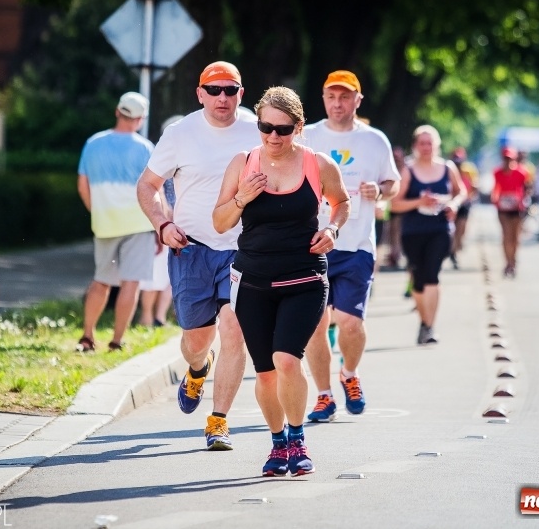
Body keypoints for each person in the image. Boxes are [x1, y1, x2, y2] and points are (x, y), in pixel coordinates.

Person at [213, 86, 350, 476]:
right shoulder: (243, 162)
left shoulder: (318, 164)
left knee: (287, 360)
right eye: (265, 127)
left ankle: (297, 437)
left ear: (299, 127)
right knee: (266, 372)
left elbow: (341, 202)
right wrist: (241, 197)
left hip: (304, 277)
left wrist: (334, 230)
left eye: (283, 129)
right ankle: (277, 445)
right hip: (253, 281)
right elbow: (219, 221)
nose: (273, 136)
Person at [137, 61, 259, 450]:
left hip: (242, 250)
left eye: (231, 89)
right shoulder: (180, 133)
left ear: (241, 92)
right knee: (195, 340)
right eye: (214, 89)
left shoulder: (258, 130)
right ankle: (196, 368)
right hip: (191, 249)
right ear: (200, 93)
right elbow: (148, 185)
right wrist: (162, 224)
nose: (222, 97)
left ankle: (218, 421)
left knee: (234, 330)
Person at [301, 70, 400, 422]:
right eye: (332, 96)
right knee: (316, 324)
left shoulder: (375, 141)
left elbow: (393, 182)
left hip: (357, 244)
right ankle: (324, 396)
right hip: (313, 243)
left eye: (345, 97)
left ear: (357, 100)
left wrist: (381, 191)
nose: (338, 103)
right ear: (324, 99)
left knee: (349, 323)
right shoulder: (307, 135)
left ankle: (349, 374)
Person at [76, 92, 156, 352]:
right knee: (130, 283)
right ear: (140, 119)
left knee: (101, 281)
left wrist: (96, 212)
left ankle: (87, 336)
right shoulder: (145, 147)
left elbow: (82, 185)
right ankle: (116, 341)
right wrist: (160, 224)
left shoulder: (93, 143)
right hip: (139, 223)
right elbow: (152, 188)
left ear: (117, 112)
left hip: (106, 224)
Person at [390, 125, 467, 344]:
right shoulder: (408, 171)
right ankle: (425, 322)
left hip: (440, 229)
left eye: (430, 143)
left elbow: (460, 191)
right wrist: (419, 202)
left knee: (432, 275)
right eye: (422, 143)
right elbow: (394, 205)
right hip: (413, 231)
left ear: (437, 145)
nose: (426, 147)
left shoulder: (447, 167)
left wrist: (453, 204)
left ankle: (430, 327)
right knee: (419, 279)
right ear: (415, 146)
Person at [138, 115, 184, 328]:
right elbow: (155, 190)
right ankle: (147, 317)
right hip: (164, 222)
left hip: (181, 221)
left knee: (170, 275)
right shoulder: (162, 154)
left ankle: (159, 317)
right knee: (154, 274)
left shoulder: (186, 152)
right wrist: (162, 222)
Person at [490, 147, 529, 277]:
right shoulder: (497, 173)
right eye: (505, 159)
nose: (507, 161)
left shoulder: (521, 172)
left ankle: (513, 260)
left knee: (515, 237)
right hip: (503, 208)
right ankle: (508, 262)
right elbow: (496, 188)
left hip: (517, 209)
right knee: (506, 235)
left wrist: (521, 200)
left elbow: (526, 189)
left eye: (510, 159)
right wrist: (495, 200)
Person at [448, 147, 479, 270]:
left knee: (461, 229)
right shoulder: (448, 169)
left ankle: (454, 250)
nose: (458, 164)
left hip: (464, 203)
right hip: (451, 203)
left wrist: (469, 197)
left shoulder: (469, 170)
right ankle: (451, 250)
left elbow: (474, 185)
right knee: (451, 229)